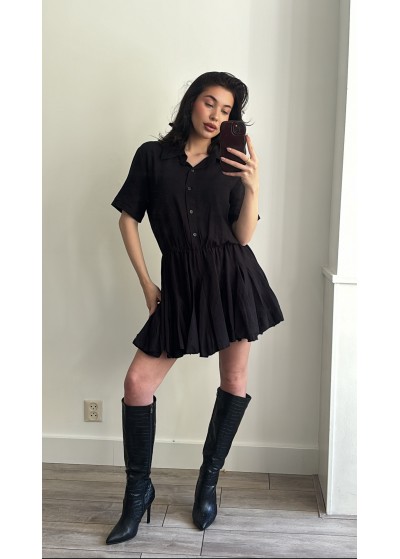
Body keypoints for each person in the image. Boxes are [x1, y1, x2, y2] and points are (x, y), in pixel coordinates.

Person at [106, 71, 284, 545]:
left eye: (227, 111)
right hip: (180, 285)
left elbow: (242, 236)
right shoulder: (152, 156)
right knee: (137, 383)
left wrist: (253, 185)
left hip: (231, 280)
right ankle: (137, 493)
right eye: (210, 103)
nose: (216, 116)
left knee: (234, 381)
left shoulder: (231, 162)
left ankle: (208, 482)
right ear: (191, 102)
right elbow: (128, 219)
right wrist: (147, 283)